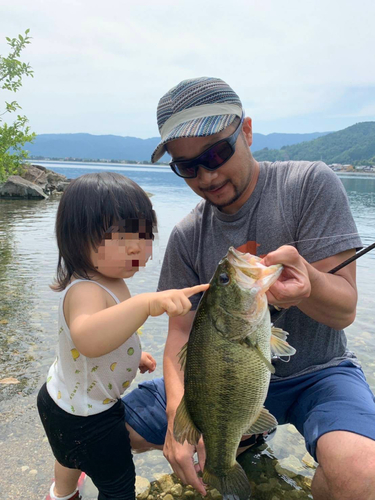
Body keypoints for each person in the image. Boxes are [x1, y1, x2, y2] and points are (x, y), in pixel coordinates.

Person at [122, 77, 375, 500]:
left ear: (249, 132)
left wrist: (310, 286)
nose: (207, 174)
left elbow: (346, 310)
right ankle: (242, 441)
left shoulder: (310, 184)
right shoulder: (188, 235)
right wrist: (178, 420)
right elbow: (180, 336)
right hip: (219, 381)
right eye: (187, 166)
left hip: (319, 373)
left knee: (360, 475)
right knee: (104, 431)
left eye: (217, 152)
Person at [37, 172, 208, 500]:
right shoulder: (85, 288)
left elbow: (106, 334)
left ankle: (62, 493)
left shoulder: (109, 278)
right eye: (120, 237)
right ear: (77, 238)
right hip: (89, 418)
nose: (137, 247)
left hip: (60, 400)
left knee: (67, 456)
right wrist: (146, 304)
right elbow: (87, 337)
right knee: (118, 483)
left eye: (144, 236)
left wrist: (132, 355)